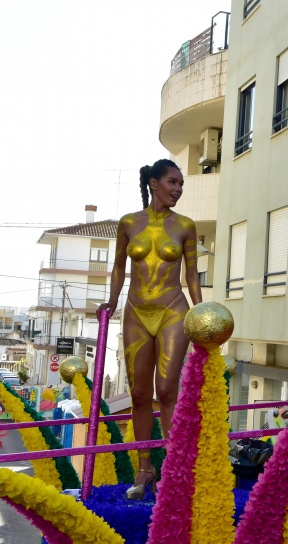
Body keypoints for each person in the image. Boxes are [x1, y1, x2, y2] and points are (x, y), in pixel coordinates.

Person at [97, 159, 202, 500]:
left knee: (167, 389)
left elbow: (192, 274)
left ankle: (173, 468)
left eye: (181, 184)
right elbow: (117, 268)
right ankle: (145, 467)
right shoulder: (129, 223)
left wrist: (201, 312)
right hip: (135, 312)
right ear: (154, 183)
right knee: (139, 394)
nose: (178, 189)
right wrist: (111, 302)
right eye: (173, 182)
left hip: (173, 310)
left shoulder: (185, 225)